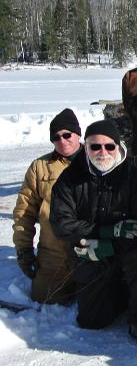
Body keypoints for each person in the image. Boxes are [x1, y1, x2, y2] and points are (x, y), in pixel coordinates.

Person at [49, 120, 137, 346]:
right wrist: (104, 232)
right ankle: (121, 295)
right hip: (89, 251)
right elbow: (61, 223)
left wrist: (111, 245)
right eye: (95, 147)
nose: (103, 152)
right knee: (92, 321)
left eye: (109, 146)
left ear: (118, 147)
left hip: (128, 251)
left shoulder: (133, 178)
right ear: (86, 147)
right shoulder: (69, 179)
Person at [13, 109, 83, 304]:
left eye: (67, 134)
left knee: (98, 307)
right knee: (46, 299)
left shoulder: (96, 157)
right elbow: (24, 212)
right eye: (56, 137)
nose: (62, 140)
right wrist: (24, 250)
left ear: (78, 134)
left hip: (91, 251)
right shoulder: (40, 167)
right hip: (54, 254)